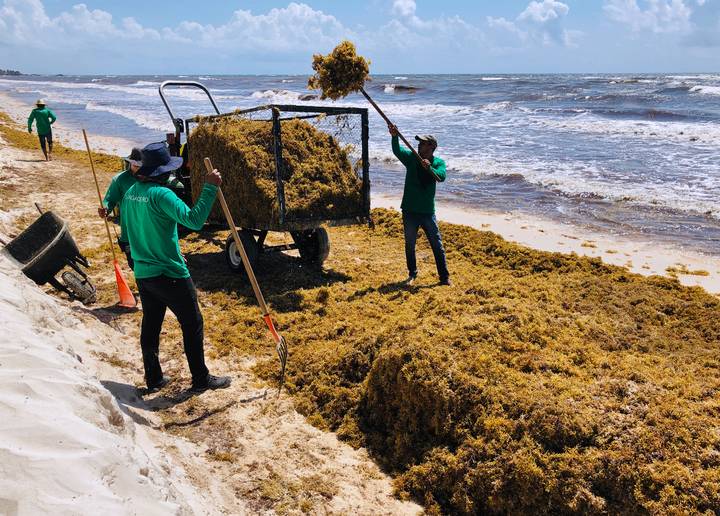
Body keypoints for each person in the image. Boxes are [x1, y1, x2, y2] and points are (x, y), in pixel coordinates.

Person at [121, 142, 231, 394]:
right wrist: (210, 188)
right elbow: (194, 221)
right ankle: (201, 379)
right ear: (162, 172)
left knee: (151, 324)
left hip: (143, 272)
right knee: (193, 323)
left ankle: (154, 378)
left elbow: (126, 232)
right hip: (170, 272)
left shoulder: (130, 193)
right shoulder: (162, 194)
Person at [388, 124, 450, 286]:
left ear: (432, 147)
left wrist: (429, 168)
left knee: (437, 245)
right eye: (419, 143)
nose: (419, 145)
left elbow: (440, 177)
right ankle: (412, 273)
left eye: (423, 143)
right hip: (409, 210)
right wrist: (394, 136)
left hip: (427, 212)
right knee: (410, 244)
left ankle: (444, 278)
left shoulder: (438, 163)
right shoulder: (411, 158)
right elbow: (398, 151)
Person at [98, 148, 143, 269]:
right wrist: (105, 208)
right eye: (135, 165)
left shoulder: (149, 177)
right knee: (134, 265)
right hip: (129, 231)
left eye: (141, 165)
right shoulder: (119, 179)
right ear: (130, 163)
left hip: (147, 230)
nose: (138, 168)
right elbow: (110, 199)